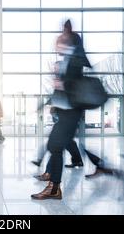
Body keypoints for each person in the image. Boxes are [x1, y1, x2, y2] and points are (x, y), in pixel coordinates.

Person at [31, 20, 90, 200]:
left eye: (59, 41)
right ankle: (54, 186)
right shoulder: (67, 60)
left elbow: (73, 83)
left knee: (55, 146)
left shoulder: (74, 60)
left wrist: (62, 83)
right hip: (66, 111)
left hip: (71, 112)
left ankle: (54, 187)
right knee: (54, 146)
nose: (56, 44)